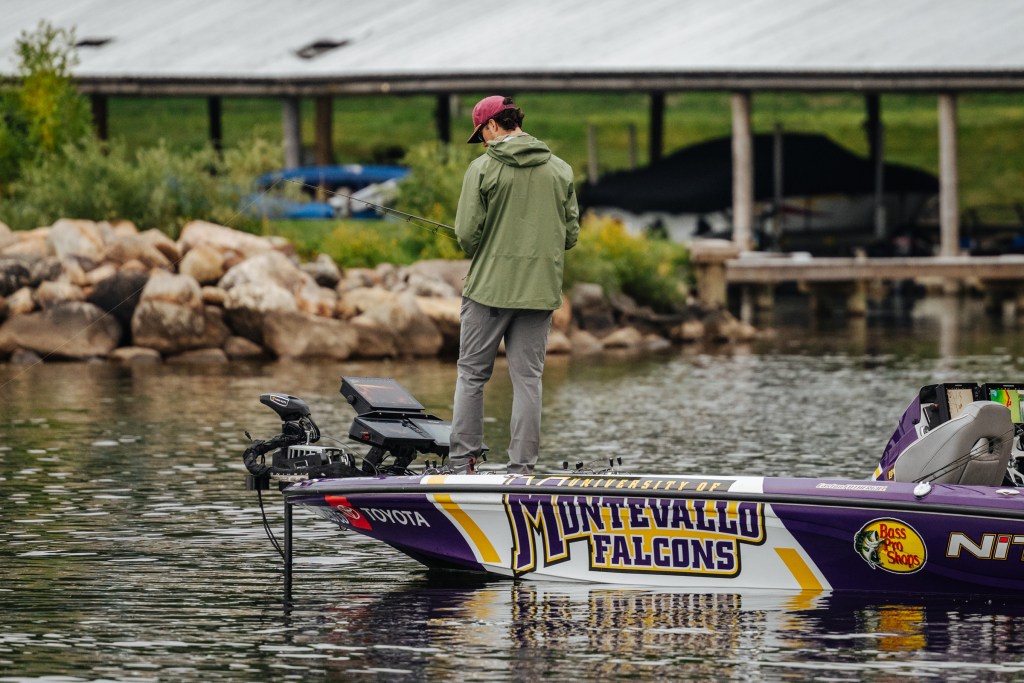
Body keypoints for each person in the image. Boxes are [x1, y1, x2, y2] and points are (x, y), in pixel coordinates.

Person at [448, 95, 580, 475]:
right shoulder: (560, 170)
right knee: (528, 380)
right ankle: (521, 469)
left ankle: (462, 465)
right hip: (539, 292)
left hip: (489, 291)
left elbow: (467, 236)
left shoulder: (482, 169)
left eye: (481, 135)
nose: (483, 144)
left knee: (472, 375)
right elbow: (570, 235)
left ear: (492, 125)